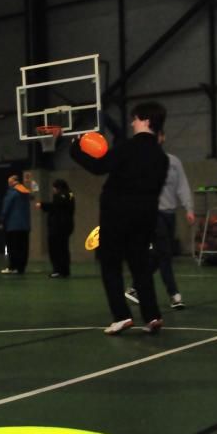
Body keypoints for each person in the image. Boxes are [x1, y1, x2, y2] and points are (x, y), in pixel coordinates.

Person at [70, 102, 169, 334]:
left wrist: (75, 150)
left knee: (110, 264)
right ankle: (152, 315)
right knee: (140, 266)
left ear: (145, 120)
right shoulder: (162, 157)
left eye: (134, 119)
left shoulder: (127, 147)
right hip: (146, 216)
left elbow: (98, 167)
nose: (132, 123)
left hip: (117, 214)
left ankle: (122, 316)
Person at [124, 132, 196, 309]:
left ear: (163, 138)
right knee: (165, 254)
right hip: (152, 213)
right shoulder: (140, 162)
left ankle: (134, 287)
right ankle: (174, 295)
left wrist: (189, 208)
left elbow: (182, 186)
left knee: (158, 255)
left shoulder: (173, 162)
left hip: (170, 213)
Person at [36, 178, 76, 278]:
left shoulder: (61, 195)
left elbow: (55, 206)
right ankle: (65, 270)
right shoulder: (71, 194)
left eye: (54, 188)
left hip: (58, 226)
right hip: (66, 226)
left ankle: (58, 270)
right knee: (64, 249)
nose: (53, 190)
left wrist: (42, 205)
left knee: (56, 249)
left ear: (58, 187)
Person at [0, 173, 32, 274]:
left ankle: (13, 267)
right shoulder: (26, 192)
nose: (8, 184)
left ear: (13, 182)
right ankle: (21, 268)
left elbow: (6, 208)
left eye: (9, 182)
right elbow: (34, 194)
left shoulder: (12, 193)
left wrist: (2, 221)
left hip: (12, 226)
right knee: (23, 248)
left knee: (13, 247)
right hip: (25, 225)